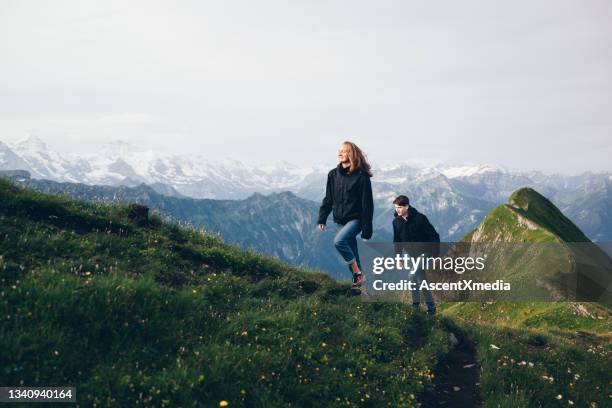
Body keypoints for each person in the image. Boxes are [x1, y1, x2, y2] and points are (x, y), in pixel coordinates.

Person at [317, 141, 374, 291]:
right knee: (353, 252)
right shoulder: (333, 175)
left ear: (352, 154)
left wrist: (367, 230)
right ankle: (359, 288)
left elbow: (367, 205)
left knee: (339, 241)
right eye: (339, 151)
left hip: (357, 219)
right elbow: (328, 198)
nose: (339, 153)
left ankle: (357, 273)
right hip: (340, 219)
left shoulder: (361, 177)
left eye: (344, 151)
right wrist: (322, 217)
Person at [392, 195, 439, 315]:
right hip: (413, 256)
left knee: (412, 276)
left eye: (400, 207)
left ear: (407, 206)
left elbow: (434, 236)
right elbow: (397, 241)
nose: (397, 210)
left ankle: (415, 307)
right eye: (396, 207)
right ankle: (432, 309)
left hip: (426, 252)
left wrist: (435, 256)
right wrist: (398, 257)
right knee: (421, 280)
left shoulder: (420, 218)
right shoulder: (396, 222)